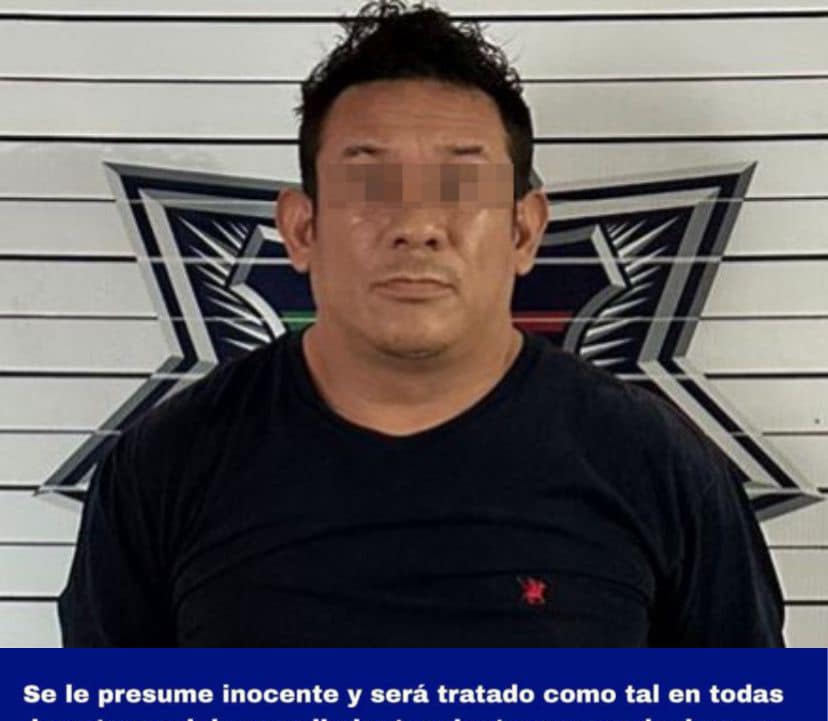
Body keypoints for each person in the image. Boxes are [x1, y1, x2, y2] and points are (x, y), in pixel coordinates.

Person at [58, 0, 784, 647]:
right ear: (302, 228)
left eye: (459, 184)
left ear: (524, 230)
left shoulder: (656, 466)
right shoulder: (166, 467)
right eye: (369, 182)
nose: (416, 224)